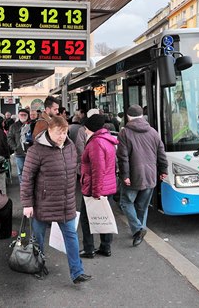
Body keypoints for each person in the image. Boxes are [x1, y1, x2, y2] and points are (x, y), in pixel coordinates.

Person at [20, 116, 92, 284]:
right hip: (42, 203)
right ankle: (39, 266)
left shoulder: (70, 146)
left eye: (65, 132)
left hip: (66, 201)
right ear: (49, 131)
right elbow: (27, 178)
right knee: (38, 238)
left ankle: (77, 272)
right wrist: (27, 204)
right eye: (58, 133)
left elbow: (74, 168)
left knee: (71, 236)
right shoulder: (36, 151)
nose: (62, 136)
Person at [116, 104, 168, 247]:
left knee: (126, 202)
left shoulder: (124, 133)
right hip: (150, 174)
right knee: (142, 206)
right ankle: (139, 231)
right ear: (142, 116)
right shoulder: (153, 132)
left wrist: (125, 175)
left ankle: (138, 229)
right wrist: (163, 171)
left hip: (133, 175)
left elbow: (123, 157)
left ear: (128, 117)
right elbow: (161, 154)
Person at [78, 114, 119, 259]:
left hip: (94, 187)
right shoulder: (106, 139)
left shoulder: (95, 143)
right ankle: (105, 247)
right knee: (104, 216)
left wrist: (96, 192)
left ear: (91, 128)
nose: (84, 130)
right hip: (107, 186)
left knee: (85, 218)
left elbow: (98, 169)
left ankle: (89, 249)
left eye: (86, 127)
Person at [7, 108, 30, 183]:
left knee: (30, 171)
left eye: (25, 115)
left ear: (28, 115)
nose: (23, 116)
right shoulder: (13, 126)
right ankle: (23, 186)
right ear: (18, 116)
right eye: (21, 115)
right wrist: (15, 147)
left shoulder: (31, 125)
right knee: (20, 171)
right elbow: (9, 138)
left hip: (30, 153)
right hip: (19, 153)